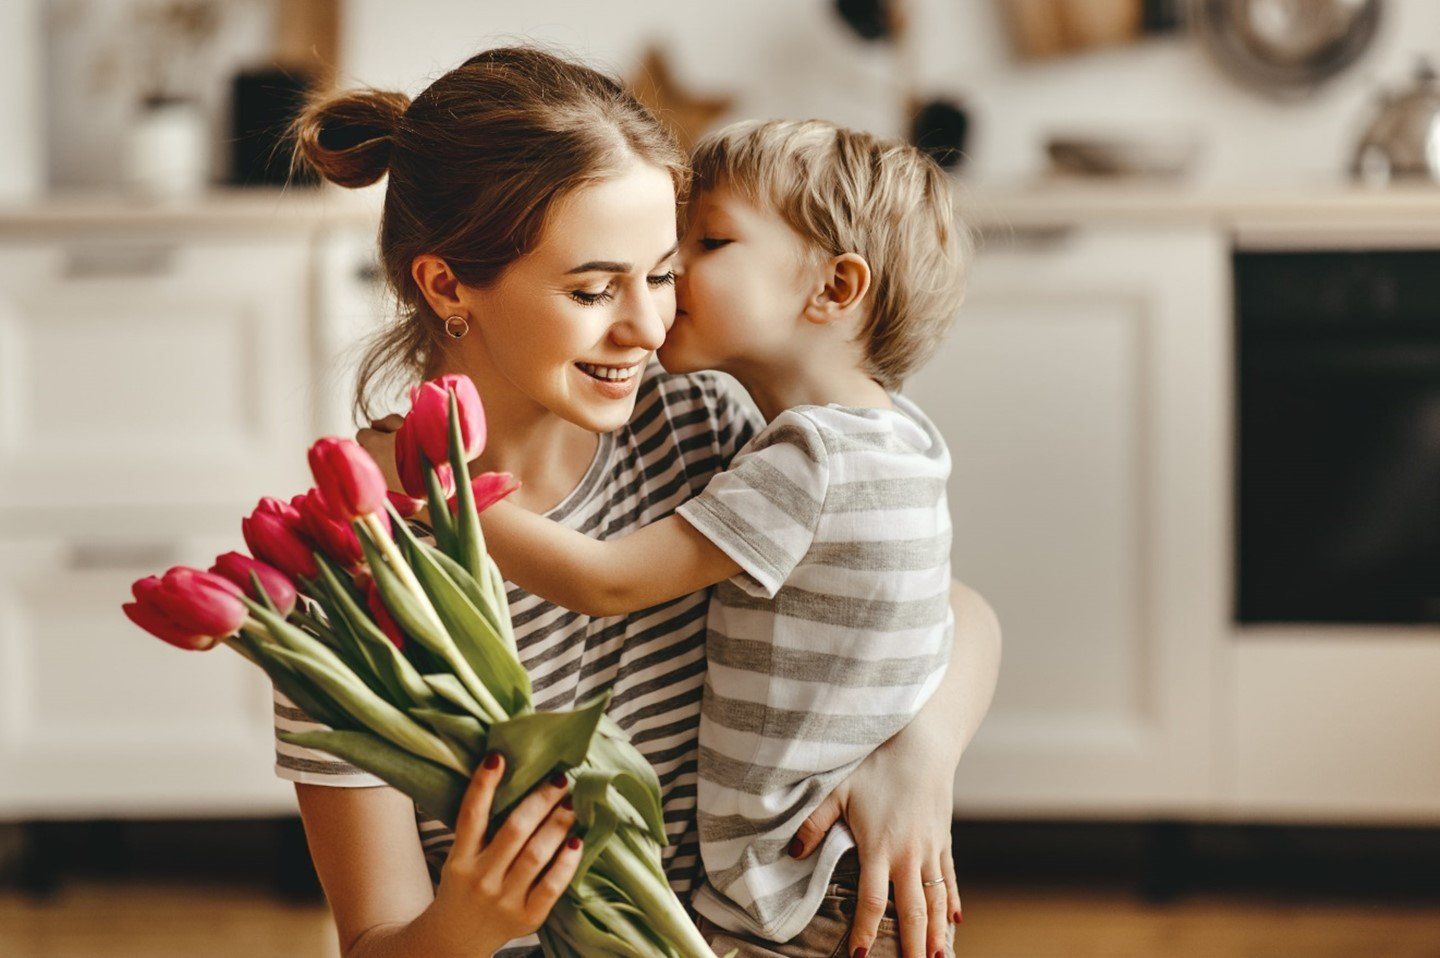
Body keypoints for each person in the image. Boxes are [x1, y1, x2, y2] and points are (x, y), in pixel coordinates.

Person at [278, 47, 1001, 958]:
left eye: (663, 273)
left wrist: (919, 757)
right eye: (592, 289)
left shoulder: (698, 431)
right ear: (447, 284)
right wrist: (468, 920)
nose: (650, 326)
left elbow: (940, 605)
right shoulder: (358, 578)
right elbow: (378, 943)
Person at [468, 117, 970, 957]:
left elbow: (608, 582)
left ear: (835, 288)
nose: (672, 279)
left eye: (706, 243)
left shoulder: (808, 461)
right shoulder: (903, 436)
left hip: (796, 884)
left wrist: (438, 495)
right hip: (830, 874)